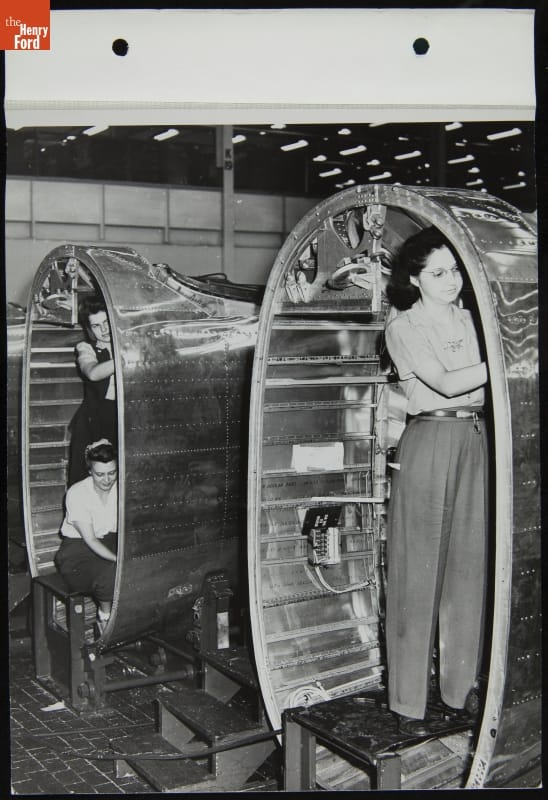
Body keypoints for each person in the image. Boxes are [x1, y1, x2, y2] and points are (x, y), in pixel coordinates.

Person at [383, 226, 489, 736]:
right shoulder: (403, 327)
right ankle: (407, 700)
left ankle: (457, 688)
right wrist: (504, 362)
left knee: (468, 569)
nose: (451, 281)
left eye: (455, 271)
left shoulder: (476, 318)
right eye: (438, 273)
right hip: (429, 438)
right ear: (415, 278)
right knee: (416, 570)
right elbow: (446, 383)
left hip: (473, 439)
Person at [55, 439, 118, 634]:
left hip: (109, 540)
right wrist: (121, 559)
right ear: (90, 471)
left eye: (112, 473)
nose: (107, 480)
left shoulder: (122, 488)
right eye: (100, 474)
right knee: (112, 572)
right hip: (77, 551)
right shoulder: (77, 493)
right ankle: (105, 617)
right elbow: (90, 539)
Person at [68, 295, 117, 486]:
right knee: (84, 477)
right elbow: (93, 373)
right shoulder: (86, 348)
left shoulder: (128, 345)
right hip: (95, 419)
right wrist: (126, 358)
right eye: (96, 326)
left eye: (106, 322)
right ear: (89, 329)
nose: (104, 330)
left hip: (124, 416)